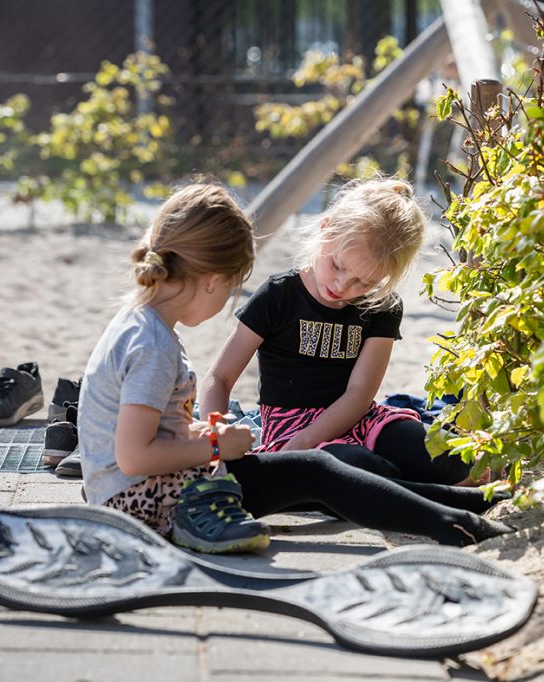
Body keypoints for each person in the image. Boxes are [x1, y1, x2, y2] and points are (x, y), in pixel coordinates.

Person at [79, 181, 512, 553]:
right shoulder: (152, 343)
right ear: (212, 280)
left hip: (154, 488)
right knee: (320, 471)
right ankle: (457, 523)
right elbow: (134, 456)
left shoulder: (145, 329)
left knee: (321, 474)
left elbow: (149, 439)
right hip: (149, 501)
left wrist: (212, 437)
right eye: (230, 289)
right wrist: (215, 446)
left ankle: (459, 507)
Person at [198, 177, 475, 486]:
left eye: (365, 282)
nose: (343, 287)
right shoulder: (279, 296)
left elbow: (360, 394)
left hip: (362, 418)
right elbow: (219, 377)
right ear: (325, 229)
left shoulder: (380, 305)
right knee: (359, 471)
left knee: (449, 460)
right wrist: (216, 437)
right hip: (292, 430)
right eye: (338, 267)